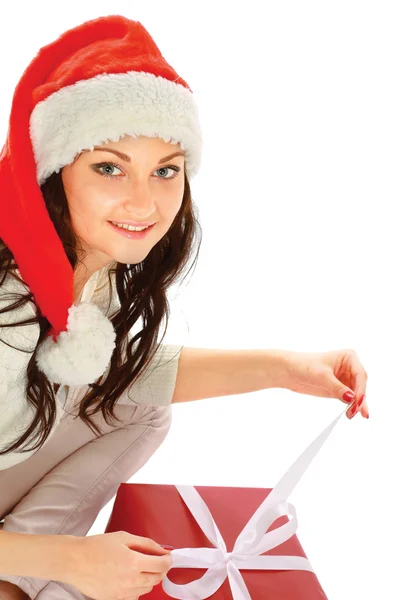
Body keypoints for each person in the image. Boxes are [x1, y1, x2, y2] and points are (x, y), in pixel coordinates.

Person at [0, 14, 369, 600]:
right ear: (52, 173)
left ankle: (16, 575)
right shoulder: (7, 309)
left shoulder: (88, 269)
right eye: (108, 167)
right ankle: (34, 570)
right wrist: (70, 559)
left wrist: (286, 369)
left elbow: (127, 373)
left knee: (139, 408)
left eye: (165, 170)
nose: (144, 201)